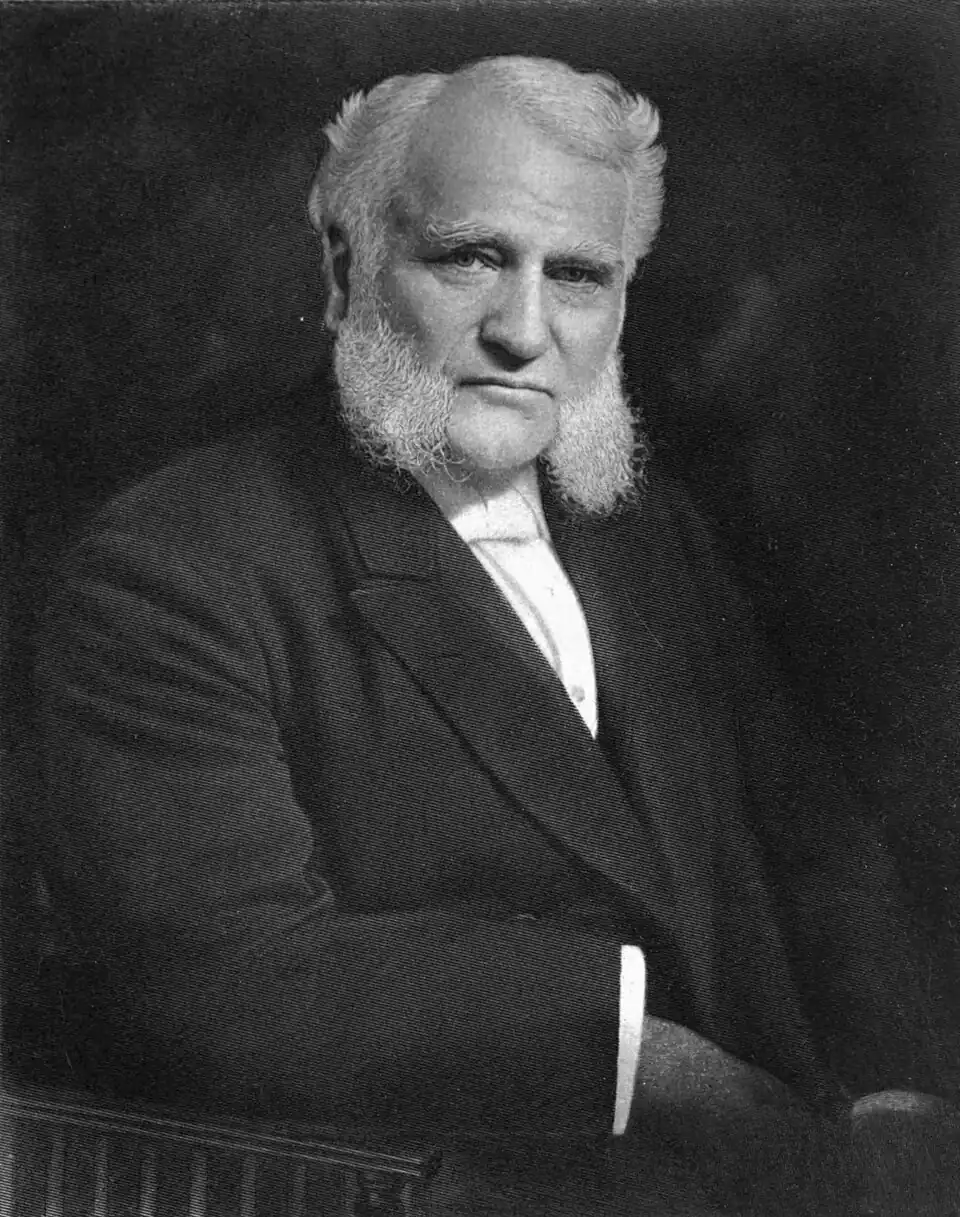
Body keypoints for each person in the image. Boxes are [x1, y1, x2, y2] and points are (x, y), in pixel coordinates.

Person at [31, 55, 958, 1215]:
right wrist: (653, 1062)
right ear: (346, 269)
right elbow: (221, 980)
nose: (525, 330)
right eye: (470, 257)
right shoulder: (176, 564)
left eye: (577, 274)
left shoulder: (642, 530)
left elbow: (810, 845)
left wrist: (900, 1091)